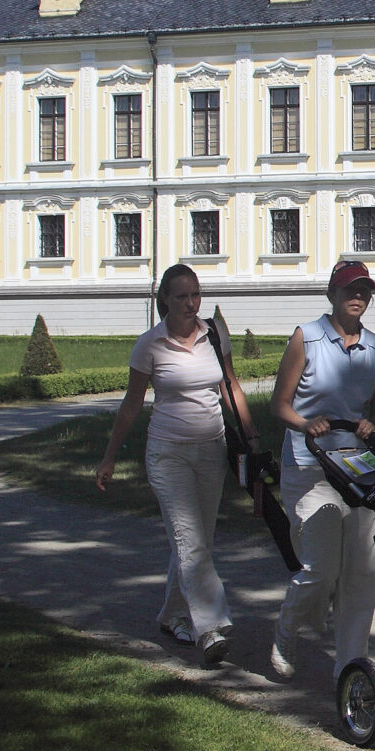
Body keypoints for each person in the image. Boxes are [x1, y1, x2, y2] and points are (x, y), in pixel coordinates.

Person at [98, 264, 239, 668]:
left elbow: (231, 387)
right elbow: (130, 404)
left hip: (212, 449)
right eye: (182, 296)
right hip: (168, 453)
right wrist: (109, 456)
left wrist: (252, 438)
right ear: (164, 300)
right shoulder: (149, 345)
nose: (191, 303)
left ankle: (172, 615)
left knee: (198, 541)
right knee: (189, 538)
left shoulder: (215, 334)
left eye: (195, 294)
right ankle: (209, 627)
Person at [267, 261, 375, 682]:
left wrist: (373, 424)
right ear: (332, 295)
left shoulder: (374, 346)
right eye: (348, 290)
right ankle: (287, 631)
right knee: (320, 569)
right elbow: (278, 404)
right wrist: (304, 424)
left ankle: (349, 669)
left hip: (356, 469)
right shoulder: (307, 337)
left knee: (362, 571)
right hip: (307, 465)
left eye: (364, 290)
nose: (357, 297)